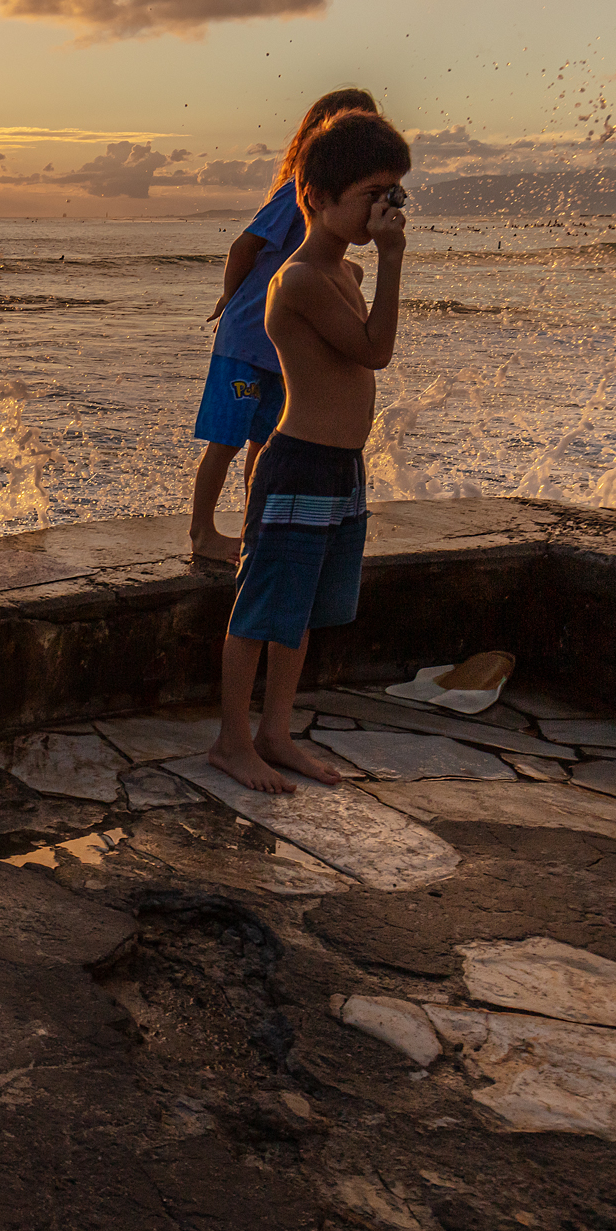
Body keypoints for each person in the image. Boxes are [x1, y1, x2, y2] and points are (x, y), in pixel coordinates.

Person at [209, 108, 412, 794]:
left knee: (296, 615)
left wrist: (376, 263)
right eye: (371, 195)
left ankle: (275, 732)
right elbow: (376, 351)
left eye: (393, 194)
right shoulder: (297, 281)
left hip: (339, 469)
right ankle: (232, 741)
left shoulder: (344, 274)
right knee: (260, 610)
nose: (384, 209)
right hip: (297, 463)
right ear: (317, 197)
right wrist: (393, 260)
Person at [188, 88, 379, 563]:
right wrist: (230, 299)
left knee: (266, 444)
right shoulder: (297, 193)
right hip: (245, 341)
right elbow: (243, 247)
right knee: (225, 442)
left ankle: (256, 529)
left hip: (280, 348)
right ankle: (202, 533)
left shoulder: (337, 205)